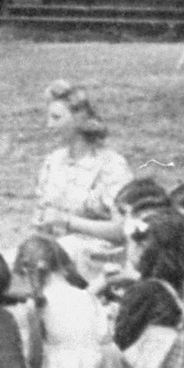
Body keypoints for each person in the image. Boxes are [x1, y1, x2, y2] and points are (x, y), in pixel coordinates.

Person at [10, 236, 133, 368]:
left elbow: (34, 358)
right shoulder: (85, 296)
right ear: (67, 267)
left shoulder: (35, 306)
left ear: (25, 273)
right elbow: (104, 335)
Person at [32, 81, 134, 281]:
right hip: (56, 250)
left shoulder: (111, 165)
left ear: (79, 120)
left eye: (56, 118)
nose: (49, 125)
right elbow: (39, 220)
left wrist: (69, 222)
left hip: (99, 257)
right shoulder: (53, 162)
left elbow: (124, 229)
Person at [112, 211, 184, 368]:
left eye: (131, 245)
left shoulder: (143, 292)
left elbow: (120, 340)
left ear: (143, 247)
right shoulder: (182, 293)